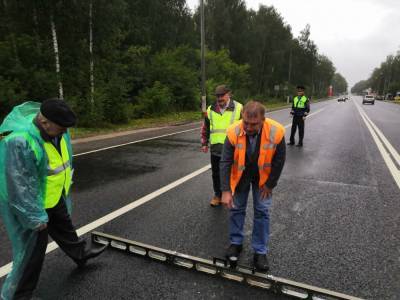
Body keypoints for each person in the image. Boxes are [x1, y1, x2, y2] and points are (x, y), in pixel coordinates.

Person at [0, 99, 106, 300]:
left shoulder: (58, 132)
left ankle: (80, 254)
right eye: (61, 128)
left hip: (53, 196)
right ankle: (21, 295)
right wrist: (34, 217)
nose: (65, 132)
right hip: (30, 205)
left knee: (65, 227)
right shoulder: (20, 141)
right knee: (32, 252)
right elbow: (19, 185)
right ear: (44, 121)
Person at [220, 101, 286, 271]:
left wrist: (270, 184)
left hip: (263, 179)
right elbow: (225, 161)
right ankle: (236, 243)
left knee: (262, 212)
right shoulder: (233, 131)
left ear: (263, 119)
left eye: (253, 124)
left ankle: (260, 251)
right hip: (241, 177)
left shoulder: (276, 131)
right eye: (246, 123)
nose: (248, 128)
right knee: (236, 209)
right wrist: (226, 190)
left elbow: (279, 161)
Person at [201, 85, 242, 206]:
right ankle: (217, 195)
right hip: (216, 149)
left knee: (233, 173)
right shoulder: (210, 110)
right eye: (217, 96)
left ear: (229, 94)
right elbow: (206, 127)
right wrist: (204, 142)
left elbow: (246, 128)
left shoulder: (239, 108)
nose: (219, 98)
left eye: (222, 95)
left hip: (233, 149)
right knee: (216, 173)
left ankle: (233, 194)